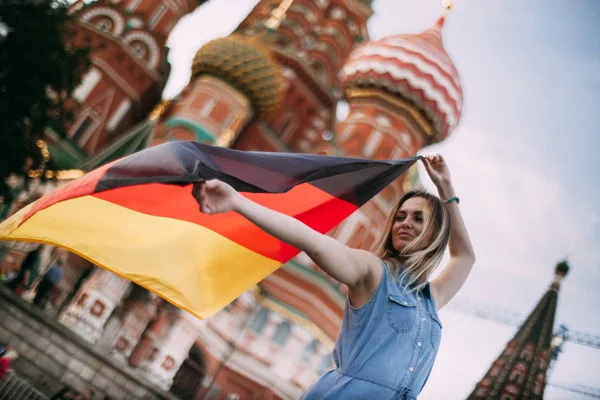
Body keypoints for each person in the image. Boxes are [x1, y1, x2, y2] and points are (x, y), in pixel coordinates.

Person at [192, 154, 475, 399]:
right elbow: (313, 242)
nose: (405, 223)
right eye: (400, 217)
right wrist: (238, 202)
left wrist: (445, 188)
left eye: (418, 218)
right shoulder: (372, 271)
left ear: (435, 232)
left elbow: (465, 257)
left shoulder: (430, 299)